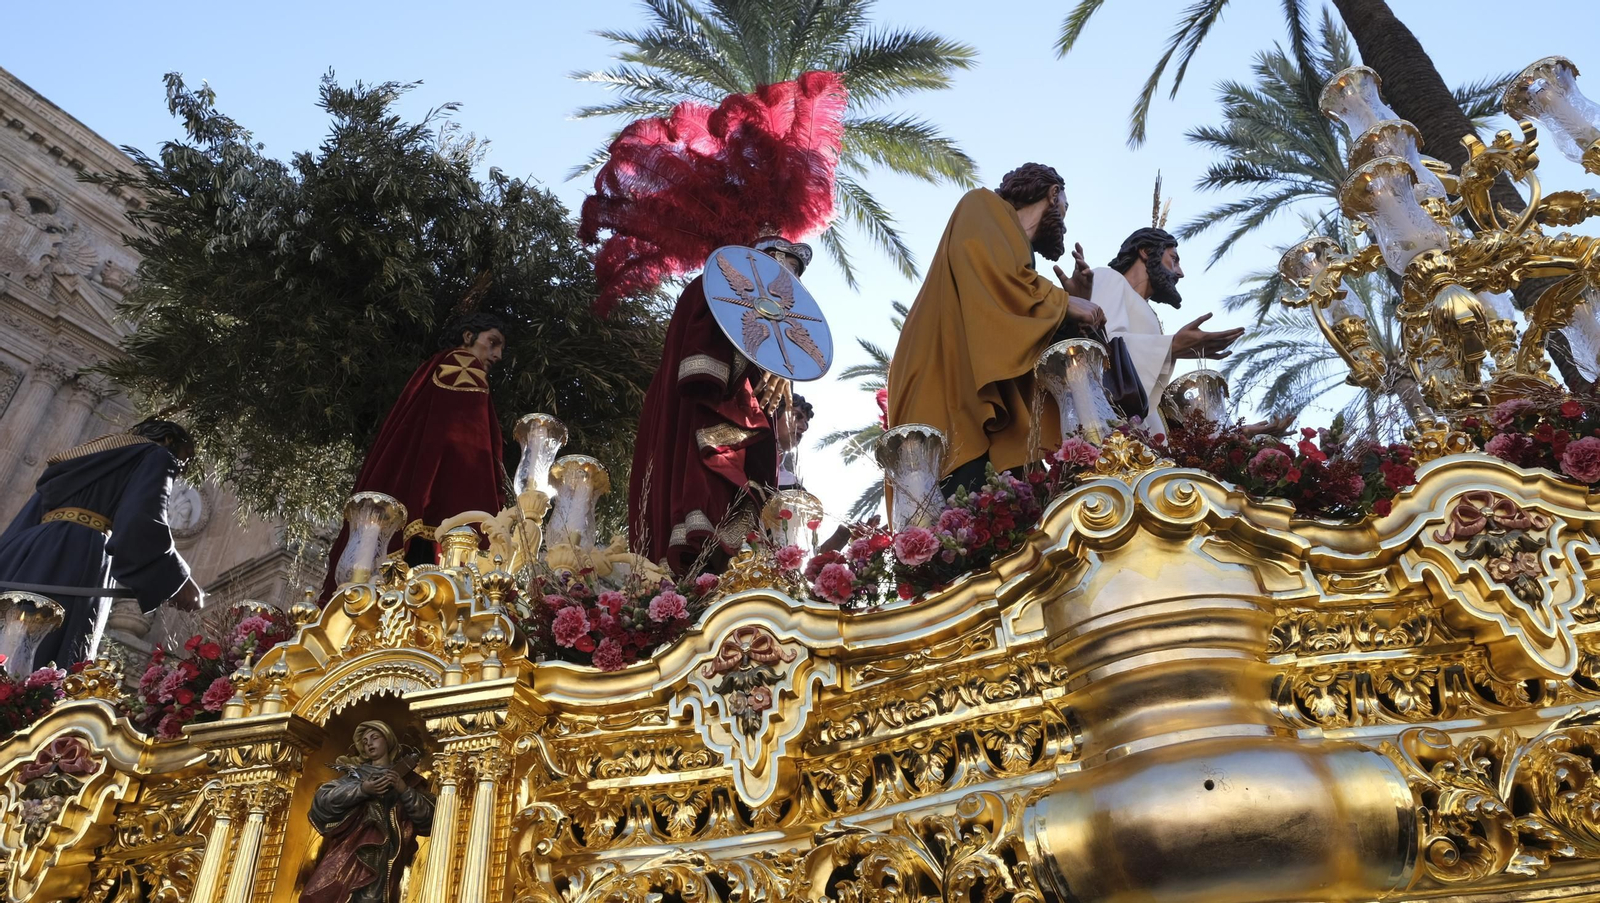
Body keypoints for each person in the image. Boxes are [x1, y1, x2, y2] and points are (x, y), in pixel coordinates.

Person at [887, 163, 1105, 495]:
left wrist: (1069, 308)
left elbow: (1022, 337)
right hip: (949, 393)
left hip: (998, 415)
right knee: (959, 515)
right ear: (1053, 193)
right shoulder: (982, 205)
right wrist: (1064, 304)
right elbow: (991, 274)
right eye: (1065, 208)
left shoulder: (1022, 263)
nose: (1065, 220)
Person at [629, 237, 807, 576]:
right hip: (708, 409)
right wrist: (765, 363)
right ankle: (697, 565)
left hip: (745, 415)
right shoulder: (710, 289)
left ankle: (728, 566)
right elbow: (705, 363)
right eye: (779, 268)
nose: (786, 282)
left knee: (742, 501)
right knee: (708, 487)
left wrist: (778, 368)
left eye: (793, 276)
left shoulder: (777, 321)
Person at [320, 313, 508, 600]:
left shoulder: (436, 365)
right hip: (439, 499)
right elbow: (469, 442)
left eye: (501, 349)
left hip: (412, 488)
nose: (497, 355)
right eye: (492, 342)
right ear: (469, 336)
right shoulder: (463, 365)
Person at [0, 419, 203, 669]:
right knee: (45, 663)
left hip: (25, 552)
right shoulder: (157, 454)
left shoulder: (86, 455)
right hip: (78, 554)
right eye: (184, 459)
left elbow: (28, 516)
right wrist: (178, 580)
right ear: (168, 441)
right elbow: (141, 520)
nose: (181, 467)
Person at [1091, 227, 1290, 436]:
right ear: (1146, 252)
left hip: (1141, 433)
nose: (1180, 272)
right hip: (1111, 434)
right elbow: (1100, 350)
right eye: (1173, 259)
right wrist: (1171, 346)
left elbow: (1151, 398)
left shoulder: (1147, 311)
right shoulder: (1107, 277)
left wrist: (1230, 434)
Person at [302, 720, 435, 903]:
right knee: (329, 889)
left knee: (371, 897)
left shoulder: (408, 778)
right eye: (365, 742)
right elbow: (322, 800)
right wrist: (363, 790)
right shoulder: (356, 775)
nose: (369, 743)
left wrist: (404, 790)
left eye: (374, 738)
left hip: (385, 854)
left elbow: (431, 818)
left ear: (387, 740)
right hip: (349, 848)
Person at [775, 394, 814, 491]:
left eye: (806, 423)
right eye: (797, 416)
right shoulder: (740, 453)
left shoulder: (793, 485)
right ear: (774, 413)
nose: (804, 428)